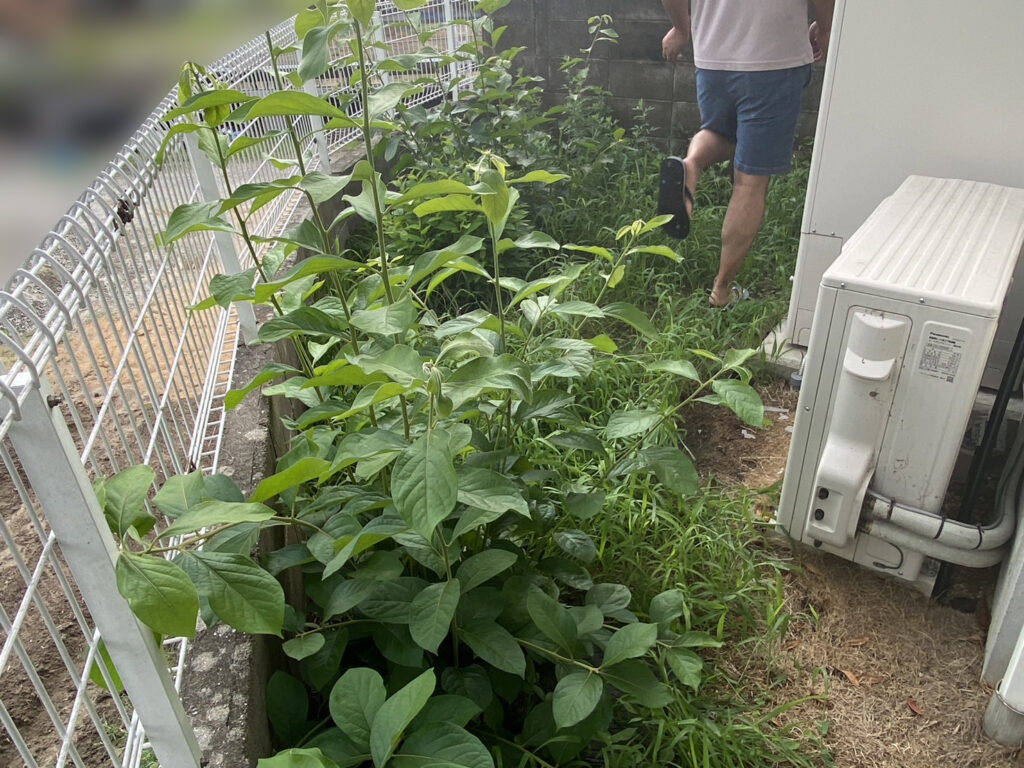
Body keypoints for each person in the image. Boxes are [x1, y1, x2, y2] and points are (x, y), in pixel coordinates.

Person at [658, 0, 834, 307]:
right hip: (774, 61)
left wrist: (680, 29)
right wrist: (828, 28)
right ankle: (722, 291)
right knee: (750, 182)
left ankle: (691, 164)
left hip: (713, 57)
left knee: (720, 132)